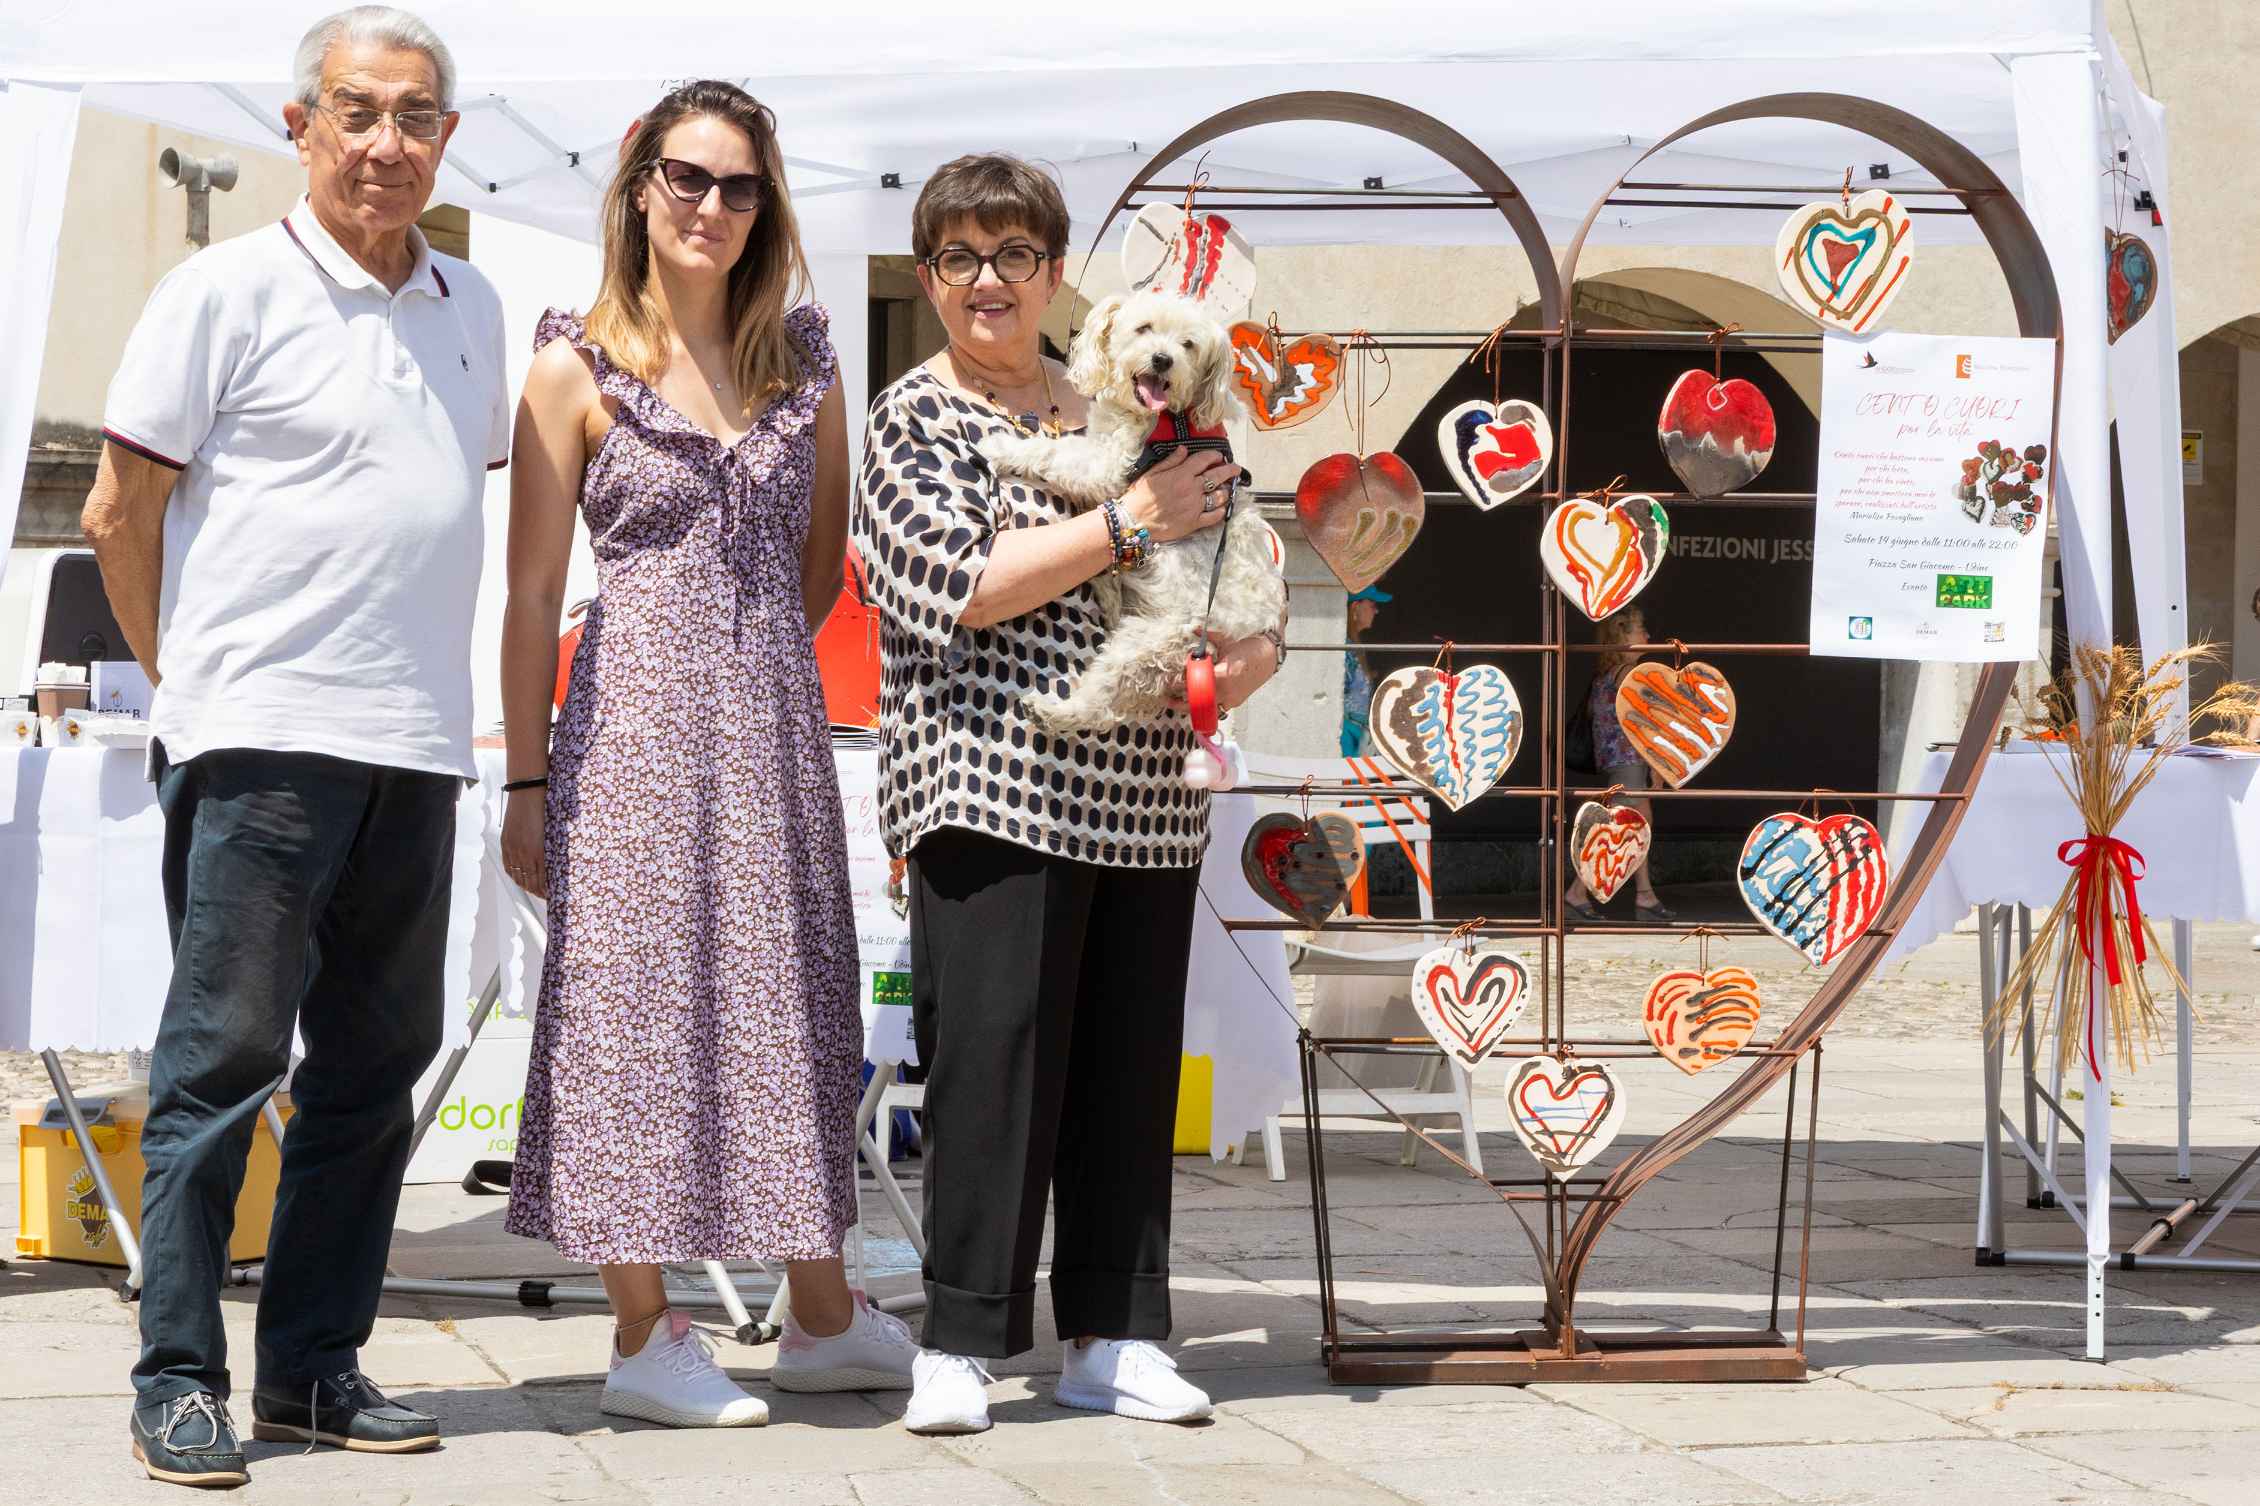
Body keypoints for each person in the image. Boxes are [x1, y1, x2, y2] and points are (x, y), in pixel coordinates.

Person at [79, 6, 505, 1486]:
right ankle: (176, 1377)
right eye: (358, 111)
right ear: (301, 125)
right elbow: (116, 515)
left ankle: (315, 1369)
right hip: (258, 740)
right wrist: (180, 679)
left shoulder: (475, 304)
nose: (387, 142)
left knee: (372, 1074)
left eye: (415, 116)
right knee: (220, 1067)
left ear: (449, 138)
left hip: (417, 749)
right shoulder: (222, 289)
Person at [498, 79, 918, 1429]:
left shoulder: (805, 362)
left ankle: (821, 1311)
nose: (711, 207)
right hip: (621, 724)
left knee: (790, 1003)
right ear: (637, 189)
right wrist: (525, 779)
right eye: (687, 177)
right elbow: (527, 597)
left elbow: (815, 574)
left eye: (739, 186)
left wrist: (743, 681)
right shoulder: (571, 368)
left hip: (773, 724)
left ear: (768, 205)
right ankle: (642, 1328)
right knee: (626, 1016)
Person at [853, 153, 1287, 1436]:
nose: (989, 283)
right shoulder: (915, 417)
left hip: (1149, 792)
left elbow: (1242, 564)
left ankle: (1116, 1333)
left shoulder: (1142, 410)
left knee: (1126, 1068)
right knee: (992, 1068)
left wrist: (1248, 657)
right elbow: (960, 582)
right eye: (959, 260)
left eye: (1015, 257)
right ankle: (962, 1342)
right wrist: (1131, 522)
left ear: (1056, 276)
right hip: (990, 779)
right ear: (930, 278)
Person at [1565, 606, 1673, 922]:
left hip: (1617, 761)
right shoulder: (1627, 676)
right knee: (1625, 828)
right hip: (1628, 760)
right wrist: (1656, 764)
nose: (1648, 635)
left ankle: (1645, 896)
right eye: (1641, 629)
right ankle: (1577, 892)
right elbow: (1642, 724)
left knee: (1639, 823)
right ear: (1623, 637)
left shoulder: (1603, 678)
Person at [1339, 584, 1390, 756]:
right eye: (1373, 605)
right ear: (1355, 606)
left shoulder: (1353, 645)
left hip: (1357, 734)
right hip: (1347, 736)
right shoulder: (1345, 647)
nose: (1376, 611)